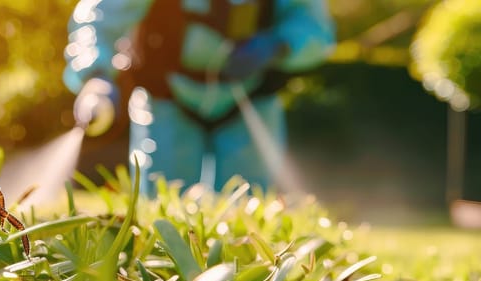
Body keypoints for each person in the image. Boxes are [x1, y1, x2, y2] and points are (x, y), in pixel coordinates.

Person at [64, 0, 335, 195]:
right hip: (167, 98)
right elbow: (99, 17)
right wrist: (96, 74)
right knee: (162, 205)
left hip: (250, 99)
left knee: (247, 209)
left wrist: (280, 45)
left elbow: (313, 26)